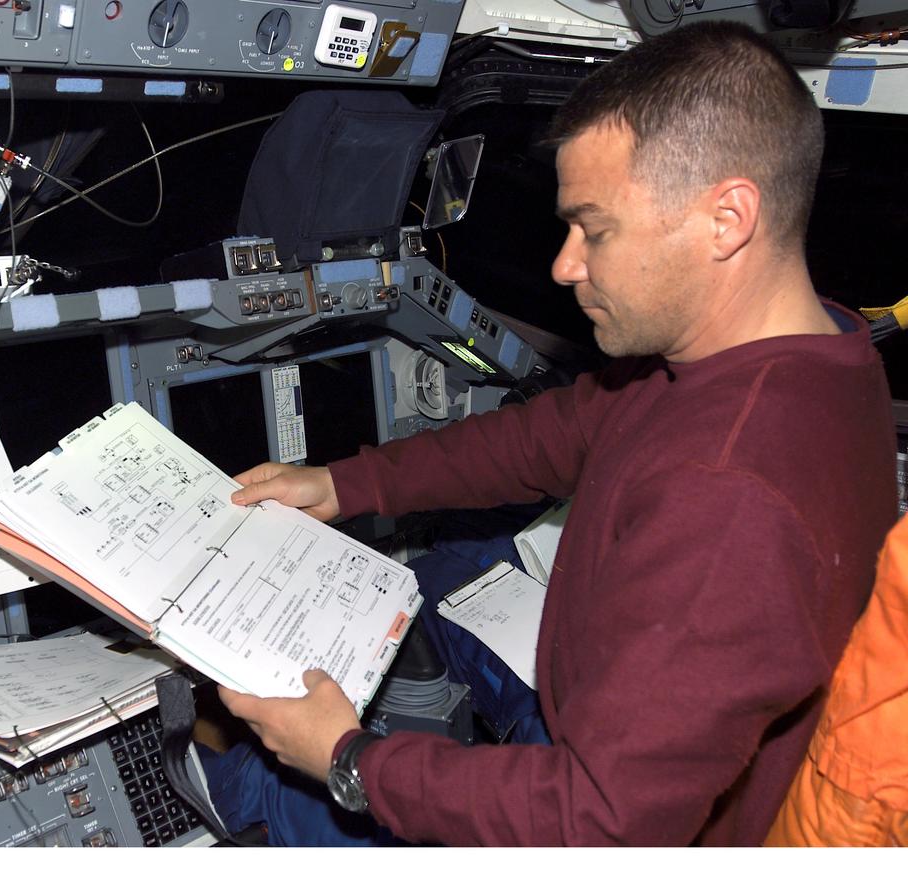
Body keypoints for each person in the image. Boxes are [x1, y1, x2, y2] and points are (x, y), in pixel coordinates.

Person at [200, 20, 899, 846]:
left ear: (726, 220)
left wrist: (350, 758)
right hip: (620, 700)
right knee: (446, 574)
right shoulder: (812, 348)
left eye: (594, 230)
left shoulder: (730, 496)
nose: (566, 265)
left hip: (619, 811)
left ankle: (219, 782)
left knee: (297, 793)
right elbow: (557, 434)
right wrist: (345, 484)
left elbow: (598, 823)